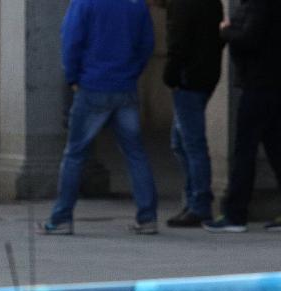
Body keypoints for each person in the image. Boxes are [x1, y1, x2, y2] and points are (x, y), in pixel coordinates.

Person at [39, 0, 159, 235]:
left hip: (92, 85)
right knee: (135, 154)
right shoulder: (137, 4)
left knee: (74, 154)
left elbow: (71, 41)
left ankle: (61, 218)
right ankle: (147, 217)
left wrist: (73, 78)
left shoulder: (84, 3)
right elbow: (146, 45)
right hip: (125, 87)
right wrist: (132, 73)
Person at [203, 0, 281, 233]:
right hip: (273, 86)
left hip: (259, 86)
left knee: (245, 151)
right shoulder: (275, 5)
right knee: (278, 152)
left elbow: (249, 38)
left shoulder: (259, 4)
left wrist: (226, 30)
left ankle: (235, 214)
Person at [163, 0, 224, 227]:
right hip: (205, 75)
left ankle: (199, 203)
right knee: (181, 142)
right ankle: (194, 200)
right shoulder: (212, 3)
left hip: (188, 79)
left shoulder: (182, 4)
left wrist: (171, 75)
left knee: (191, 143)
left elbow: (178, 41)